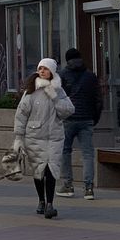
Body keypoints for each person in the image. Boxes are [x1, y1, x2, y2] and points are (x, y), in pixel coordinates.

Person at [12, 57, 75, 220]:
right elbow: (21, 114)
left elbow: (68, 111)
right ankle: (41, 200)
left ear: (52, 71)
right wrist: (19, 137)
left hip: (54, 137)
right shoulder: (31, 90)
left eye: (45, 69)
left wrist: (55, 97)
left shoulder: (59, 90)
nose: (42, 71)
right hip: (35, 136)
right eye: (40, 68)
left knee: (51, 170)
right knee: (39, 171)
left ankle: (50, 204)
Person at [56, 49, 103, 201]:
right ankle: (88, 188)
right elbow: (98, 100)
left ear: (67, 59)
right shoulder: (91, 76)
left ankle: (68, 185)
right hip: (87, 119)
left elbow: (56, 98)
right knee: (88, 154)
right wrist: (94, 118)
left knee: (65, 151)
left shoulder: (62, 76)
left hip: (68, 119)